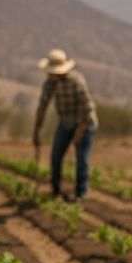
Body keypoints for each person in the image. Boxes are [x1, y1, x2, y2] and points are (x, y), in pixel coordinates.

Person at [34, 49, 97, 201]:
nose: (49, 74)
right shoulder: (49, 83)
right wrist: (36, 130)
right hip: (66, 122)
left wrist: (79, 133)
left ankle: (81, 194)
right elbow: (42, 106)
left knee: (82, 158)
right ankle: (55, 191)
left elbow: (88, 110)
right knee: (56, 155)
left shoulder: (76, 82)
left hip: (85, 122)